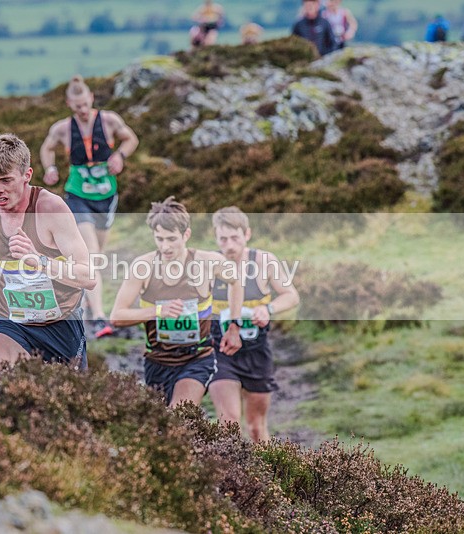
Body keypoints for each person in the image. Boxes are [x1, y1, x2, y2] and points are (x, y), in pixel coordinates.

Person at [0, 133, 97, 372]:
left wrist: (40, 261)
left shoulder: (50, 209)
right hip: (9, 319)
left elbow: (88, 277)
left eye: (5, 180)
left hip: (60, 325)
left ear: (27, 175)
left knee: (66, 403)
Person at [109, 197, 244, 408]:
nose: (165, 247)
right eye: (159, 239)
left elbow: (236, 282)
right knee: (163, 428)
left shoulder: (207, 262)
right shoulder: (142, 267)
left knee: (180, 413)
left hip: (197, 357)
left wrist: (234, 325)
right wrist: (158, 311)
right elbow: (117, 316)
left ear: (186, 234)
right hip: (157, 361)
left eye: (171, 239)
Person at [39, 75, 139, 339]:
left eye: (85, 104)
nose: (82, 111)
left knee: (96, 257)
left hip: (106, 197)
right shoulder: (62, 128)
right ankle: (98, 317)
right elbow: (47, 148)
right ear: (69, 104)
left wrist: (120, 155)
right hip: (77, 195)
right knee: (91, 254)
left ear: (91, 98)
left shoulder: (109, 121)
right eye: (76, 106)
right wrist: (50, 168)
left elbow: (131, 139)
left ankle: (80, 298)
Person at [208, 207, 300, 442]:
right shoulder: (209, 265)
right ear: (216, 238)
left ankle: (268, 477)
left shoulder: (264, 261)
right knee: (228, 424)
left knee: (256, 428)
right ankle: (233, 478)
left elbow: (291, 295)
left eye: (235, 238)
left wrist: (268, 309)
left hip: (257, 351)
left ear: (247, 234)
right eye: (223, 239)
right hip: (221, 351)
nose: (229, 245)